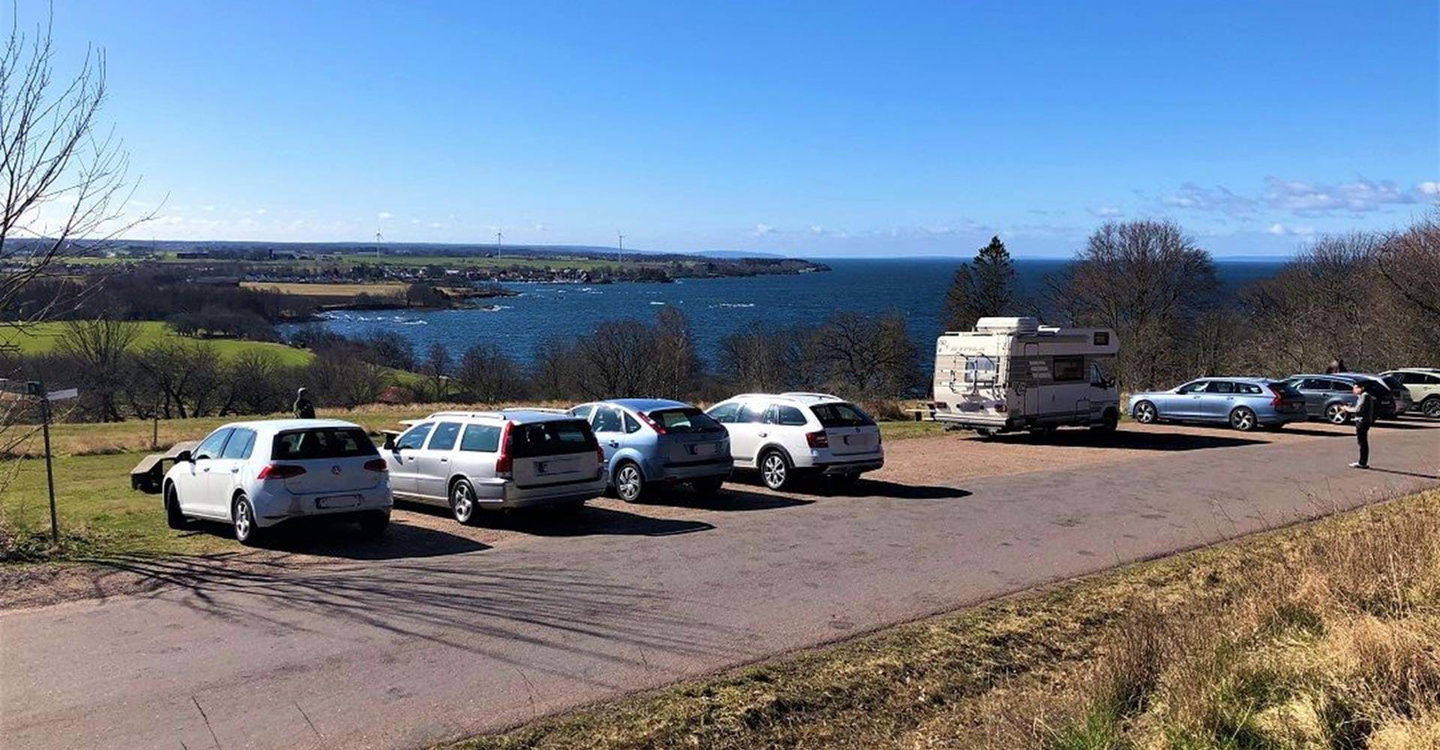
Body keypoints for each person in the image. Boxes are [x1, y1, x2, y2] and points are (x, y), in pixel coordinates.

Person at [1341, 381, 1373, 469]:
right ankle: (1362, 461)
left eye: (1356, 388)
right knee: (1362, 442)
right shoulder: (1362, 396)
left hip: (1362, 422)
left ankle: (1362, 462)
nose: (1354, 390)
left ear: (1362, 388)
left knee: (1362, 442)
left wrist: (1347, 409)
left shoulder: (1365, 396)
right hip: (1362, 420)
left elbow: (1358, 409)